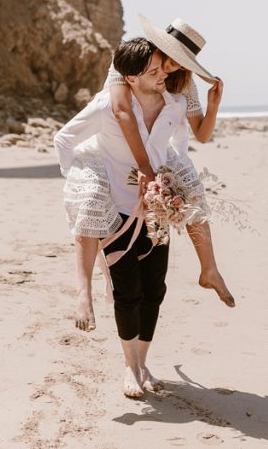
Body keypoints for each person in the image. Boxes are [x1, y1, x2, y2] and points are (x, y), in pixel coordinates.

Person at [54, 38, 186, 398]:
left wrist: (171, 181)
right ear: (130, 78)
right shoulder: (106, 107)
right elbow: (64, 139)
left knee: (155, 292)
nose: (163, 75)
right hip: (118, 213)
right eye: (154, 72)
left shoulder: (173, 106)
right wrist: (82, 177)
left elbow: (179, 148)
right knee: (129, 295)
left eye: (163, 68)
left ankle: (143, 363)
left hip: (156, 211)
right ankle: (130, 369)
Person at [106, 15, 234, 307]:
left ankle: (209, 269)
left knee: (191, 185)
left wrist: (214, 106)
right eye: (168, 57)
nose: (168, 67)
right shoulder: (130, 61)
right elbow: (121, 111)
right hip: (123, 137)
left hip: (161, 144)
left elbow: (201, 134)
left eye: (178, 63)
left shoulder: (184, 84)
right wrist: (146, 169)